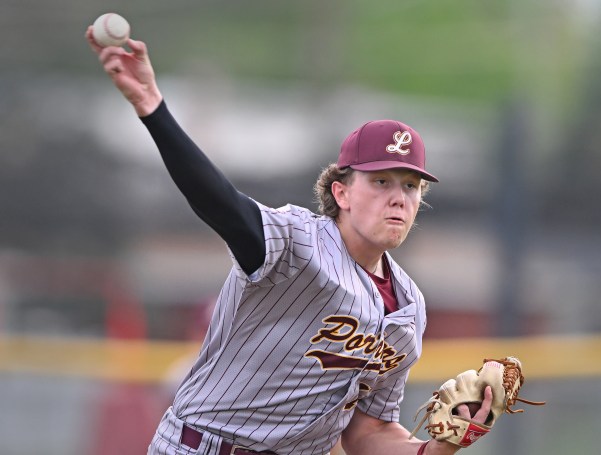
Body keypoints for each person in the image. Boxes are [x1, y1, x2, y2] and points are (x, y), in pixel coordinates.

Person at [86, 28, 493, 455]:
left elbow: (368, 434)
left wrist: (442, 447)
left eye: (410, 186)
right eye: (381, 181)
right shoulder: (295, 243)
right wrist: (154, 109)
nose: (398, 196)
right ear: (342, 193)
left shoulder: (409, 310)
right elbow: (218, 201)